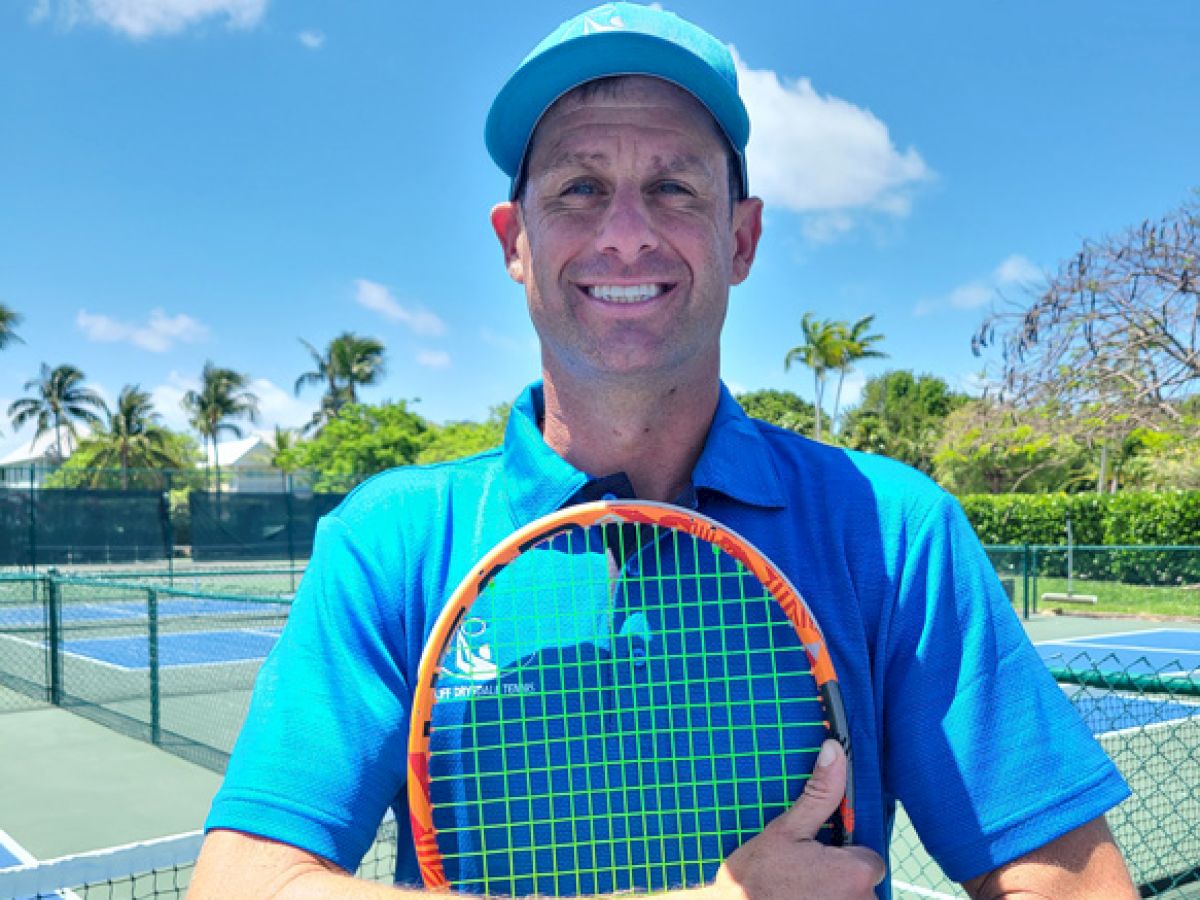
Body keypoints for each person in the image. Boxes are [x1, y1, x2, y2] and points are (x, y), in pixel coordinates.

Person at [190, 4, 1137, 898]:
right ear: (515, 241)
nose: (626, 235)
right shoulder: (388, 540)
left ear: (742, 236)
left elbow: (1069, 879)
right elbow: (242, 883)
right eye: (579, 188)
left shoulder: (891, 529)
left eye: (674, 186)